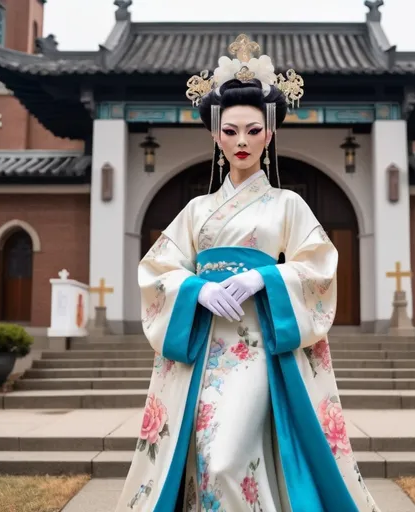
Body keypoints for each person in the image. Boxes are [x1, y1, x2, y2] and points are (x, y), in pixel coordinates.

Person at [115, 34, 381, 512]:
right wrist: (194, 288)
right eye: (231, 131)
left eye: (253, 130)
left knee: (225, 459)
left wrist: (266, 279)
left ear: (270, 134)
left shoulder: (289, 204)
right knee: (201, 455)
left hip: (258, 344)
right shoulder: (196, 210)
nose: (242, 141)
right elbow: (156, 267)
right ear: (216, 135)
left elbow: (319, 263)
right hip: (203, 348)